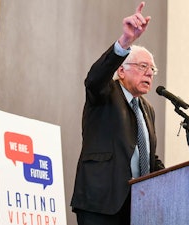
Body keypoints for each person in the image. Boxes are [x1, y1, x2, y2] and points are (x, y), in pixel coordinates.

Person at [70, 2, 165, 225]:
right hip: (100, 203)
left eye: (152, 69)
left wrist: (177, 178)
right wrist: (125, 42)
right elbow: (93, 78)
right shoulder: (104, 92)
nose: (149, 73)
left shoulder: (147, 110)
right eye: (143, 66)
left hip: (138, 208)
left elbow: (148, 156)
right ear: (121, 70)